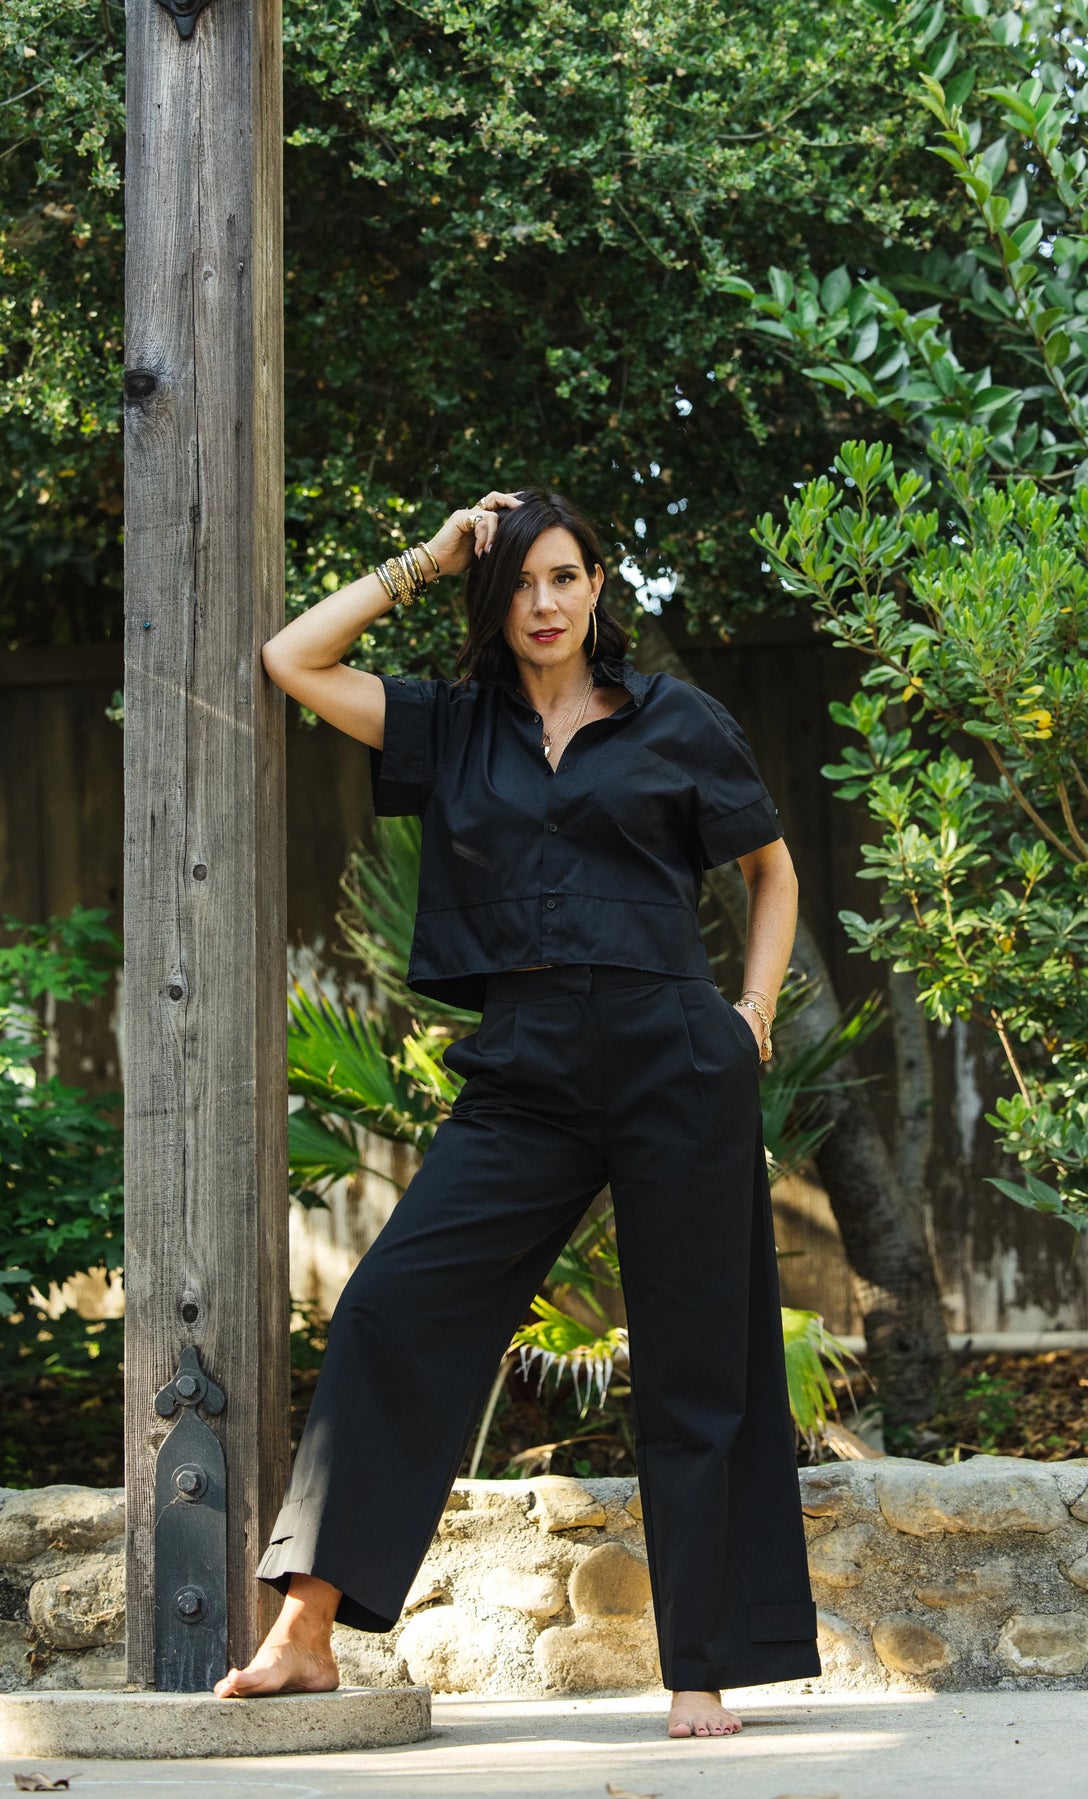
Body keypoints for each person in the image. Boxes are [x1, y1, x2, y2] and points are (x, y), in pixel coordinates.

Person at [213, 487, 819, 1738]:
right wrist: (430, 557)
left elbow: (771, 869)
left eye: (563, 577)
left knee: (701, 1371)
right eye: (520, 584)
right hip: (527, 1066)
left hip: (675, 1055)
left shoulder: (675, 720)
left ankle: (701, 1667)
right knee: (392, 1309)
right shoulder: (449, 727)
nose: (543, 604)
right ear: (494, 602)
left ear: (598, 585)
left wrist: (748, 1013)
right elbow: (292, 657)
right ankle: (307, 1629)